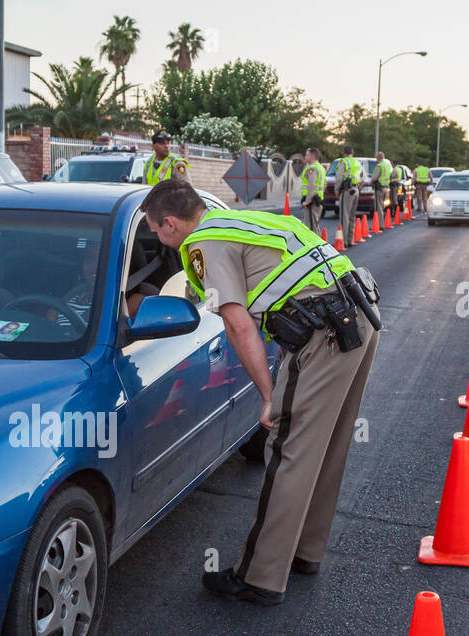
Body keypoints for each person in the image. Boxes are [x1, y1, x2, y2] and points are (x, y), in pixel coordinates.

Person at [140, 178, 381, 605]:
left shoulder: (201, 246)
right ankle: (305, 551)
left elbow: (237, 324)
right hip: (357, 315)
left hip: (323, 333)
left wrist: (267, 395)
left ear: (171, 223)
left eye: (156, 230)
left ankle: (261, 576)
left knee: (287, 447)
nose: (158, 239)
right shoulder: (240, 221)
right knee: (325, 443)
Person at [335, 146, 361, 243]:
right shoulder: (357, 162)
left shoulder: (344, 161)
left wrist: (337, 189)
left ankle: (343, 241)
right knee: (351, 216)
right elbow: (363, 177)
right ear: (352, 152)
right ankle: (350, 239)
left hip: (347, 191)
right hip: (355, 190)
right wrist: (358, 187)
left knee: (344, 216)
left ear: (344, 153)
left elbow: (339, 177)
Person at [299, 148, 326, 233]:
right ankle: (316, 245)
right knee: (315, 225)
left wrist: (307, 201)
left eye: (307, 155)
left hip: (311, 201)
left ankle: (313, 245)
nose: (305, 156)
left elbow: (311, 185)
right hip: (317, 199)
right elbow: (324, 184)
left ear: (312, 156)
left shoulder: (312, 168)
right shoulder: (320, 167)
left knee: (310, 227)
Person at [373, 151, 392, 223]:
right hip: (386, 188)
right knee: (383, 206)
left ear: (378, 158)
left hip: (379, 188)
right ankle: (381, 223)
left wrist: (370, 182)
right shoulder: (387, 165)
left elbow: (374, 178)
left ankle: (380, 225)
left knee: (379, 207)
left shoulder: (379, 166)